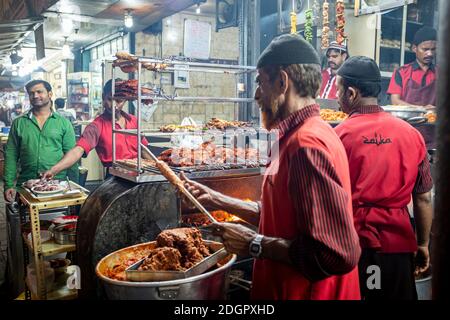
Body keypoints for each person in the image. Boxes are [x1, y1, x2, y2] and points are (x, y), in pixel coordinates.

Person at [180, 34, 361, 300]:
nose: (255, 95)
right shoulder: (290, 137)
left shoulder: (307, 145)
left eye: (259, 83)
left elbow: (336, 254)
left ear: (282, 81)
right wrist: (219, 201)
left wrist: (255, 244)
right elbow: (284, 216)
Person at [334, 56, 433, 300]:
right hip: (398, 243)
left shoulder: (337, 136)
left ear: (351, 93)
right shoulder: (412, 135)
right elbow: (423, 199)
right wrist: (422, 244)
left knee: (368, 293)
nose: (337, 97)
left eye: (338, 90)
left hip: (354, 244)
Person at [42, 79, 151, 179]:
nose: (113, 105)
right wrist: (53, 170)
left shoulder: (133, 121)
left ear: (125, 101)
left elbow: (143, 149)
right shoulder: (97, 126)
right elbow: (78, 150)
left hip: (141, 173)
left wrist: (160, 167)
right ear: (103, 97)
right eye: (109, 99)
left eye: (119, 101)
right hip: (116, 178)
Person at [3, 80, 78, 202]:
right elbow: (11, 155)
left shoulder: (64, 123)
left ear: (50, 94)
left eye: (39, 92)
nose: (35, 96)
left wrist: (74, 185)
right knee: (27, 220)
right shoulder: (19, 123)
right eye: (31, 93)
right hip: (26, 185)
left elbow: (72, 156)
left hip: (57, 185)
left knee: (58, 219)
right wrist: (9, 185)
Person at [387, 26, 437, 109]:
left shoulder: (442, 74)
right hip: (406, 121)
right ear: (414, 48)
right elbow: (395, 101)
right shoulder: (401, 72)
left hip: (433, 121)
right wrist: (421, 109)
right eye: (425, 49)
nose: (430, 54)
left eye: (433, 49)